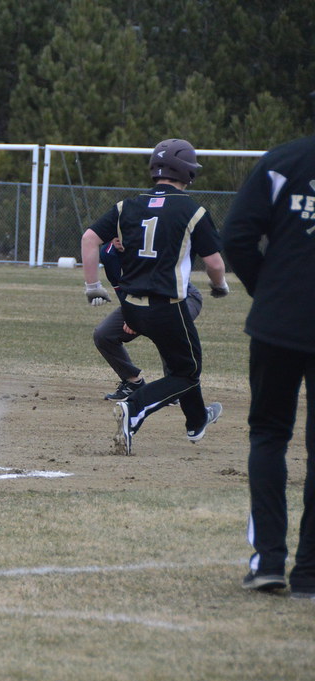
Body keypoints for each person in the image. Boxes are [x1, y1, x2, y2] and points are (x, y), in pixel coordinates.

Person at [80, 138, 230, 456]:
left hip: (131, 306)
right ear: (187, 171)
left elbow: (89, 238)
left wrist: (92, 286)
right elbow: (215, 263)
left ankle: (197, 421)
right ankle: (133, 409)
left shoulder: (126, 207)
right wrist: (220, 286)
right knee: (187, 373)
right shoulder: (192, 209)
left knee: (181, 364)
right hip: (167, 306)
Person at [223, 132, 315, 598]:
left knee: (268, 436)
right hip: (281, 318)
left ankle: (270, 563)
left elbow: (236, 236)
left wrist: (272, 293)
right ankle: (311, 574)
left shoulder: (283, 162)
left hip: (277, 325)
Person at [92, 239, 204, 401]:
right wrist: (133, 316)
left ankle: (175, 388)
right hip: (138, 301)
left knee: (167, 327)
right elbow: (122, 292)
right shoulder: (109, 255)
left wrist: (140, 318)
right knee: (104, 334)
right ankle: (133, 383)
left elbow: (159, 289)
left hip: (180, 297)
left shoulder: (150, 242)